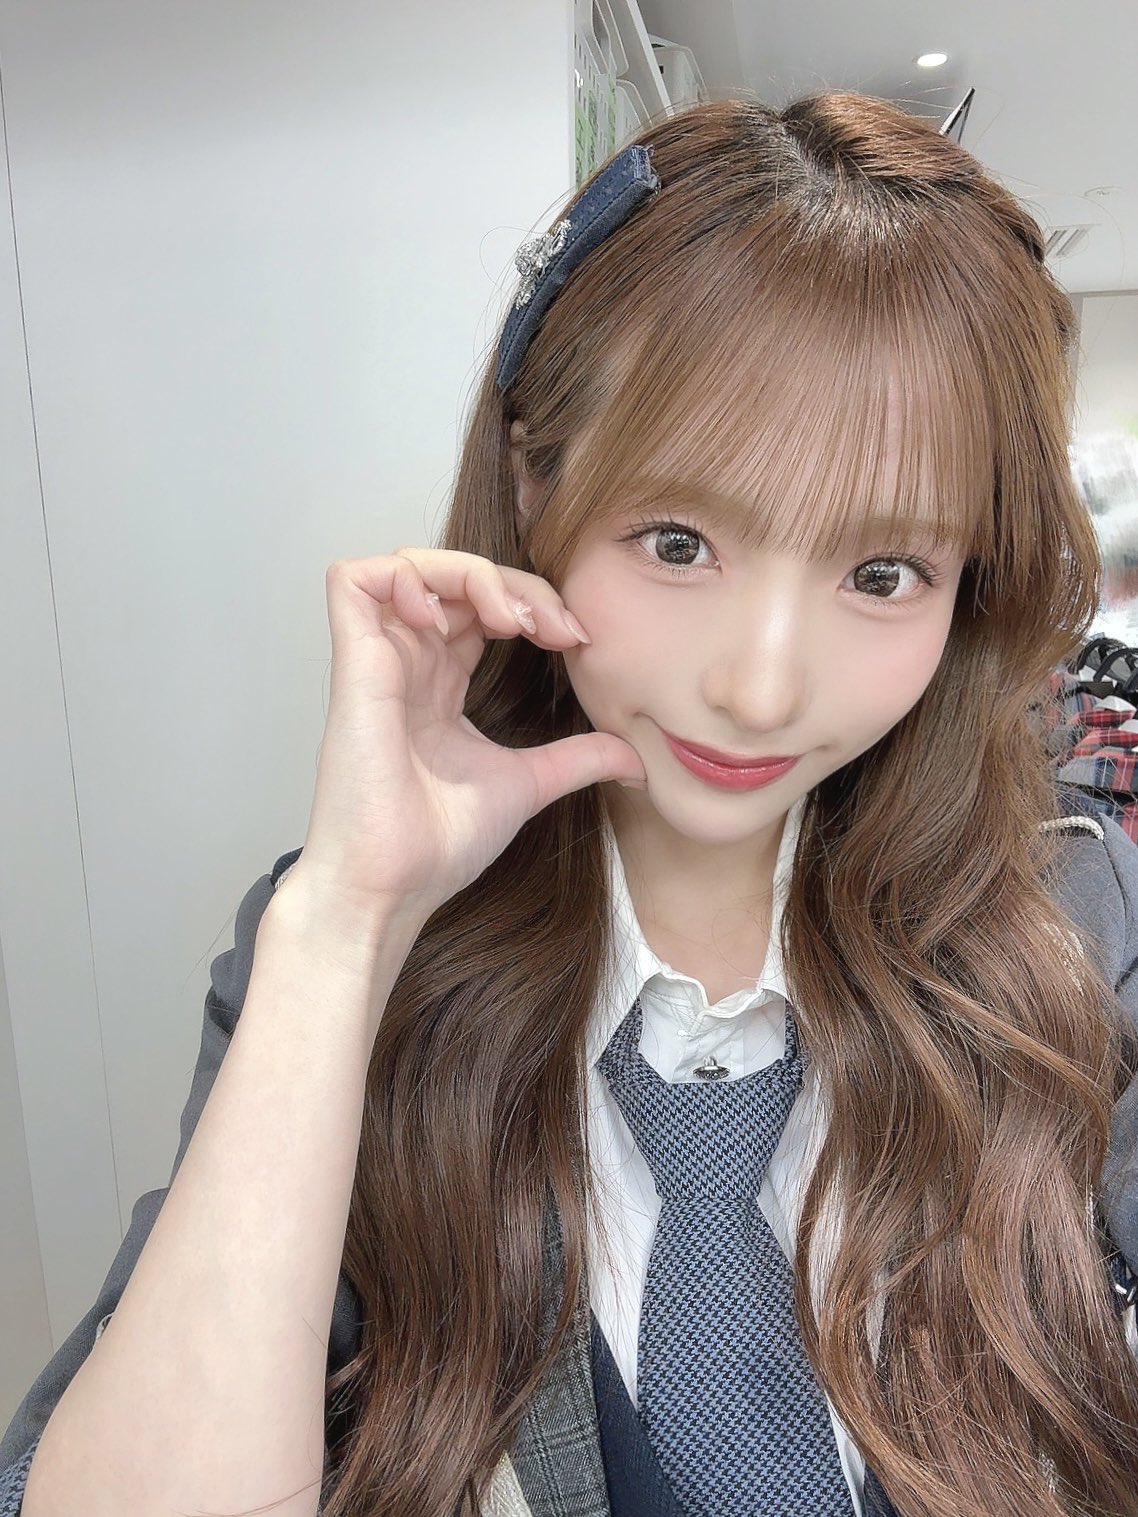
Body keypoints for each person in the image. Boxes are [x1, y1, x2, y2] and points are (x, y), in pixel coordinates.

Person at [4, 89, 1138, 1517]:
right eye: (678, 540)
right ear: (532, 479)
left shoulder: (1069, 921)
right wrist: (346, 923)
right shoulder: (360, 952)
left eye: (880, 574)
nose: (760, 687)